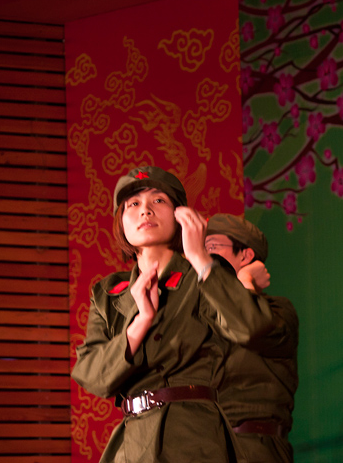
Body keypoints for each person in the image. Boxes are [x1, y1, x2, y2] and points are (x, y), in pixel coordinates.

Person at [71, 166, 274, 463]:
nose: (146, 210)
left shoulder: (205, 275)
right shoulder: (107, 293)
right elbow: (91, 375)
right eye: (133, 204)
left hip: (194, 437)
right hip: (132, 444)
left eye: (159, 200)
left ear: (181, 215)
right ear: (120, 222)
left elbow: (251, 327)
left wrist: (200, 258)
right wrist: (141, 322)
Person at [205, 213, 299, 463]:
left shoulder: (279, 311)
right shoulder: (203, 314)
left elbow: (250, 327)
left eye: (212, 247)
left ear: (245, 256)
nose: (203, 258)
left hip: (255, 446)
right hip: (207, 445)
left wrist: (243, 282)